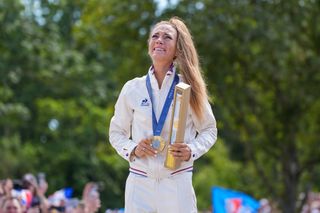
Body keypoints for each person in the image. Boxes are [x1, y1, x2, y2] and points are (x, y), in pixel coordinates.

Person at [109, 16, 217, 213]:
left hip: (176, 181)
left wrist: (191, 150)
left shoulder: (188, 87)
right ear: (149, 45)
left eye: (167, 37)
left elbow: (209, 130)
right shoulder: (133, 88)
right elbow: (116, 132)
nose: (159, 40)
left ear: (177, 49)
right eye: (155, 36)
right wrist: (133, 149)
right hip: (139, 182)